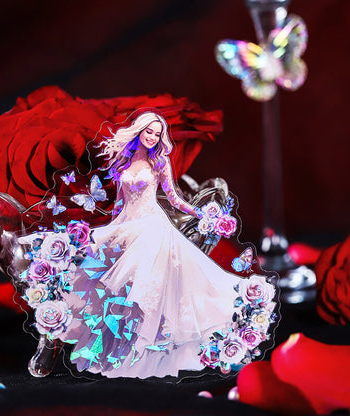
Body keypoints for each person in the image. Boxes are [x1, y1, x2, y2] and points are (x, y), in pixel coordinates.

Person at [20, 111, 276, 379]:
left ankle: (152, 350)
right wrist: (112, 230)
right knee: (115, 288)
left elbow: (174, 198)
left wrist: (201, 214)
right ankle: (124, 350)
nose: (153, 137)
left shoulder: (159, 162)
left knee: (148, 289)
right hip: (128, 225)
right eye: (149, 132)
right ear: (139, 131)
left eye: (157, 133)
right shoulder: (124, 161)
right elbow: (120, 203)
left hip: (153, 227)